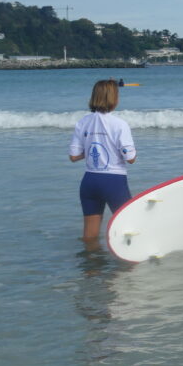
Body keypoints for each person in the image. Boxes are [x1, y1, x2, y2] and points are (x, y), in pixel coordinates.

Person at [69, 79, 136, 245]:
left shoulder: (82, 122)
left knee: (89, 236)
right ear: (113, 98)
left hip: (90, 181)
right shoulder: (119, 124)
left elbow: (73, 156)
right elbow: (131, 158)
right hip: (113, 181)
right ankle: (130, 268)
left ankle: (91, 268)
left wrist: (94, 147)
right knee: (130, 227)